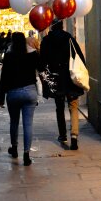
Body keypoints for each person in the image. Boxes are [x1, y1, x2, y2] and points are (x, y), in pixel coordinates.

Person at [39, 19, 86, 150]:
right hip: (70, 77)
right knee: (74, 106)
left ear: (52, 28)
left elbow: (42, 62)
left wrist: (44, 77)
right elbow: (79, 56)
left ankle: (62, 134)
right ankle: (74, 136)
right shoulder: (69, 38)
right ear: (62, 26)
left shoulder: (46, 41)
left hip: (56, 79)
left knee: (59, 107)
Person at [0, 32, 39, 166]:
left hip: (13, 93)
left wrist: (1, 97)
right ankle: (26, 154)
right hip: (30, 91)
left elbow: (4, 77)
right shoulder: (33, 54)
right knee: (28, 124)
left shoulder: (9, 55)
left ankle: (14, 148)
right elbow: (41, 70)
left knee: (14, 122)